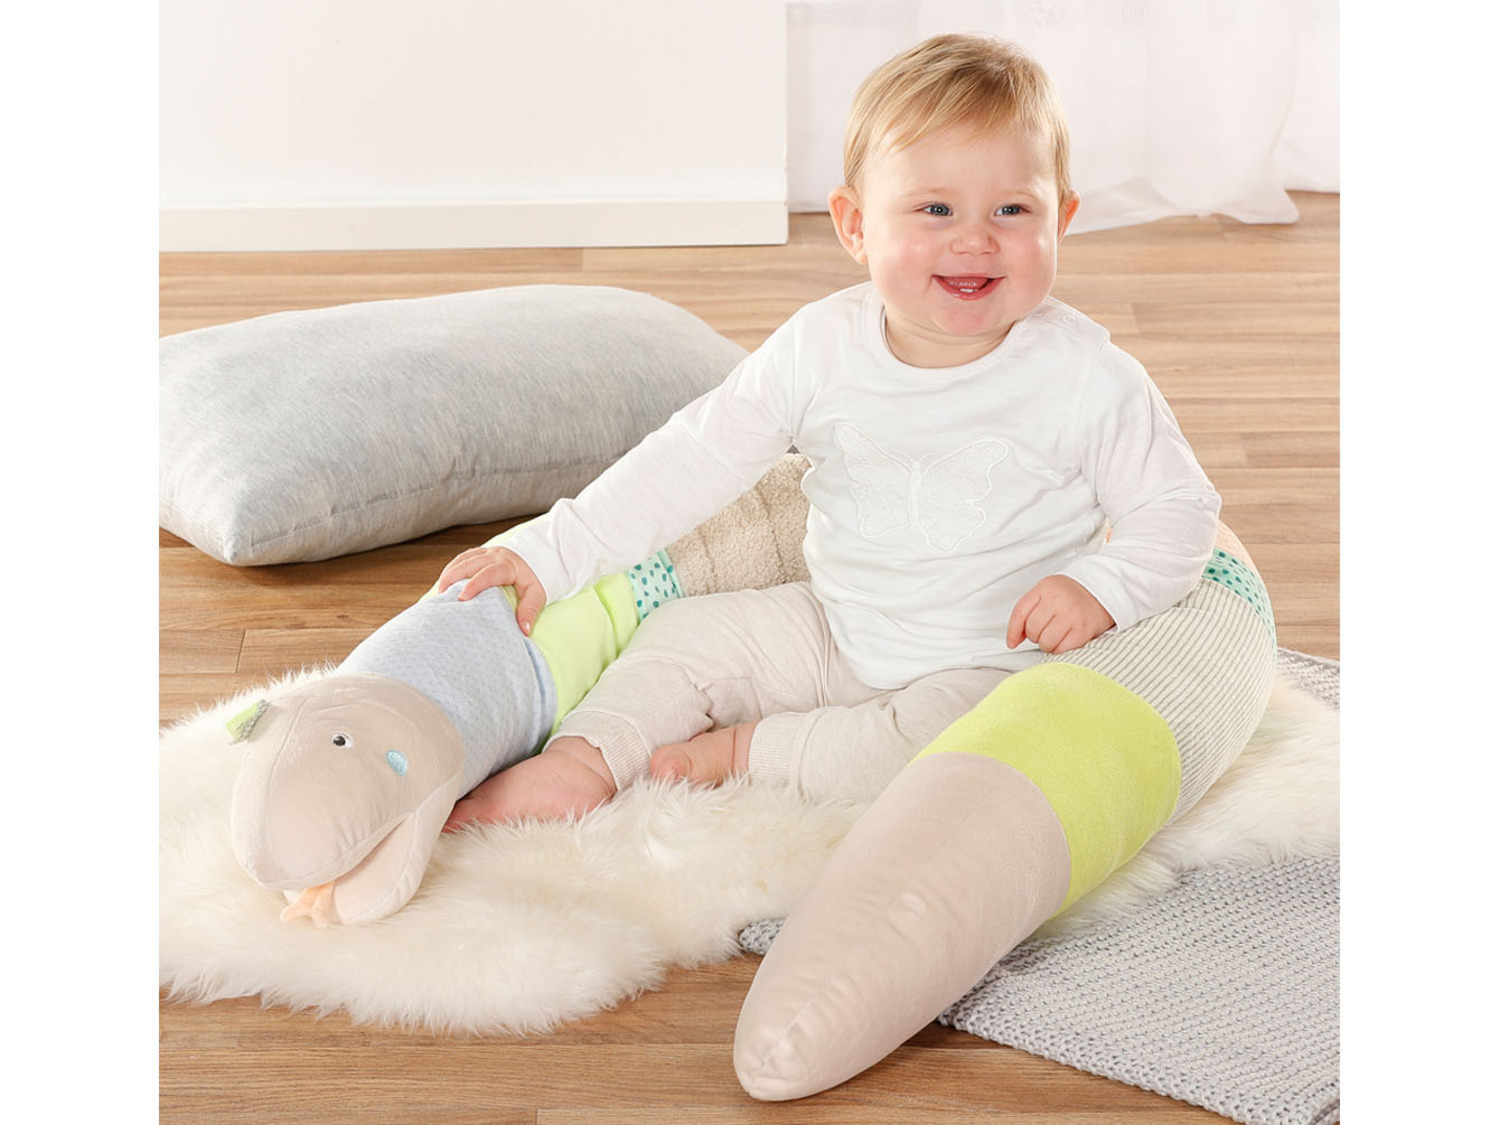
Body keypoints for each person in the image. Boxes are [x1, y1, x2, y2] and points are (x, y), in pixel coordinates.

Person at [437, 33, 1220, 830]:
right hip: (835, 625)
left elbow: (1181, 510)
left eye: (1012, 210)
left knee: (950, 754)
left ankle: (745, 754)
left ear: (1063, 218)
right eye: (936, 209)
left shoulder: (1087, 377)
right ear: (854, 225)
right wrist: (549, 551)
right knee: (685, 635)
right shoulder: (819, 348)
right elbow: (693, 457)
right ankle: (584, 760)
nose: (974, 239)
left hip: (989, 664)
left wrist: (1101, 589)